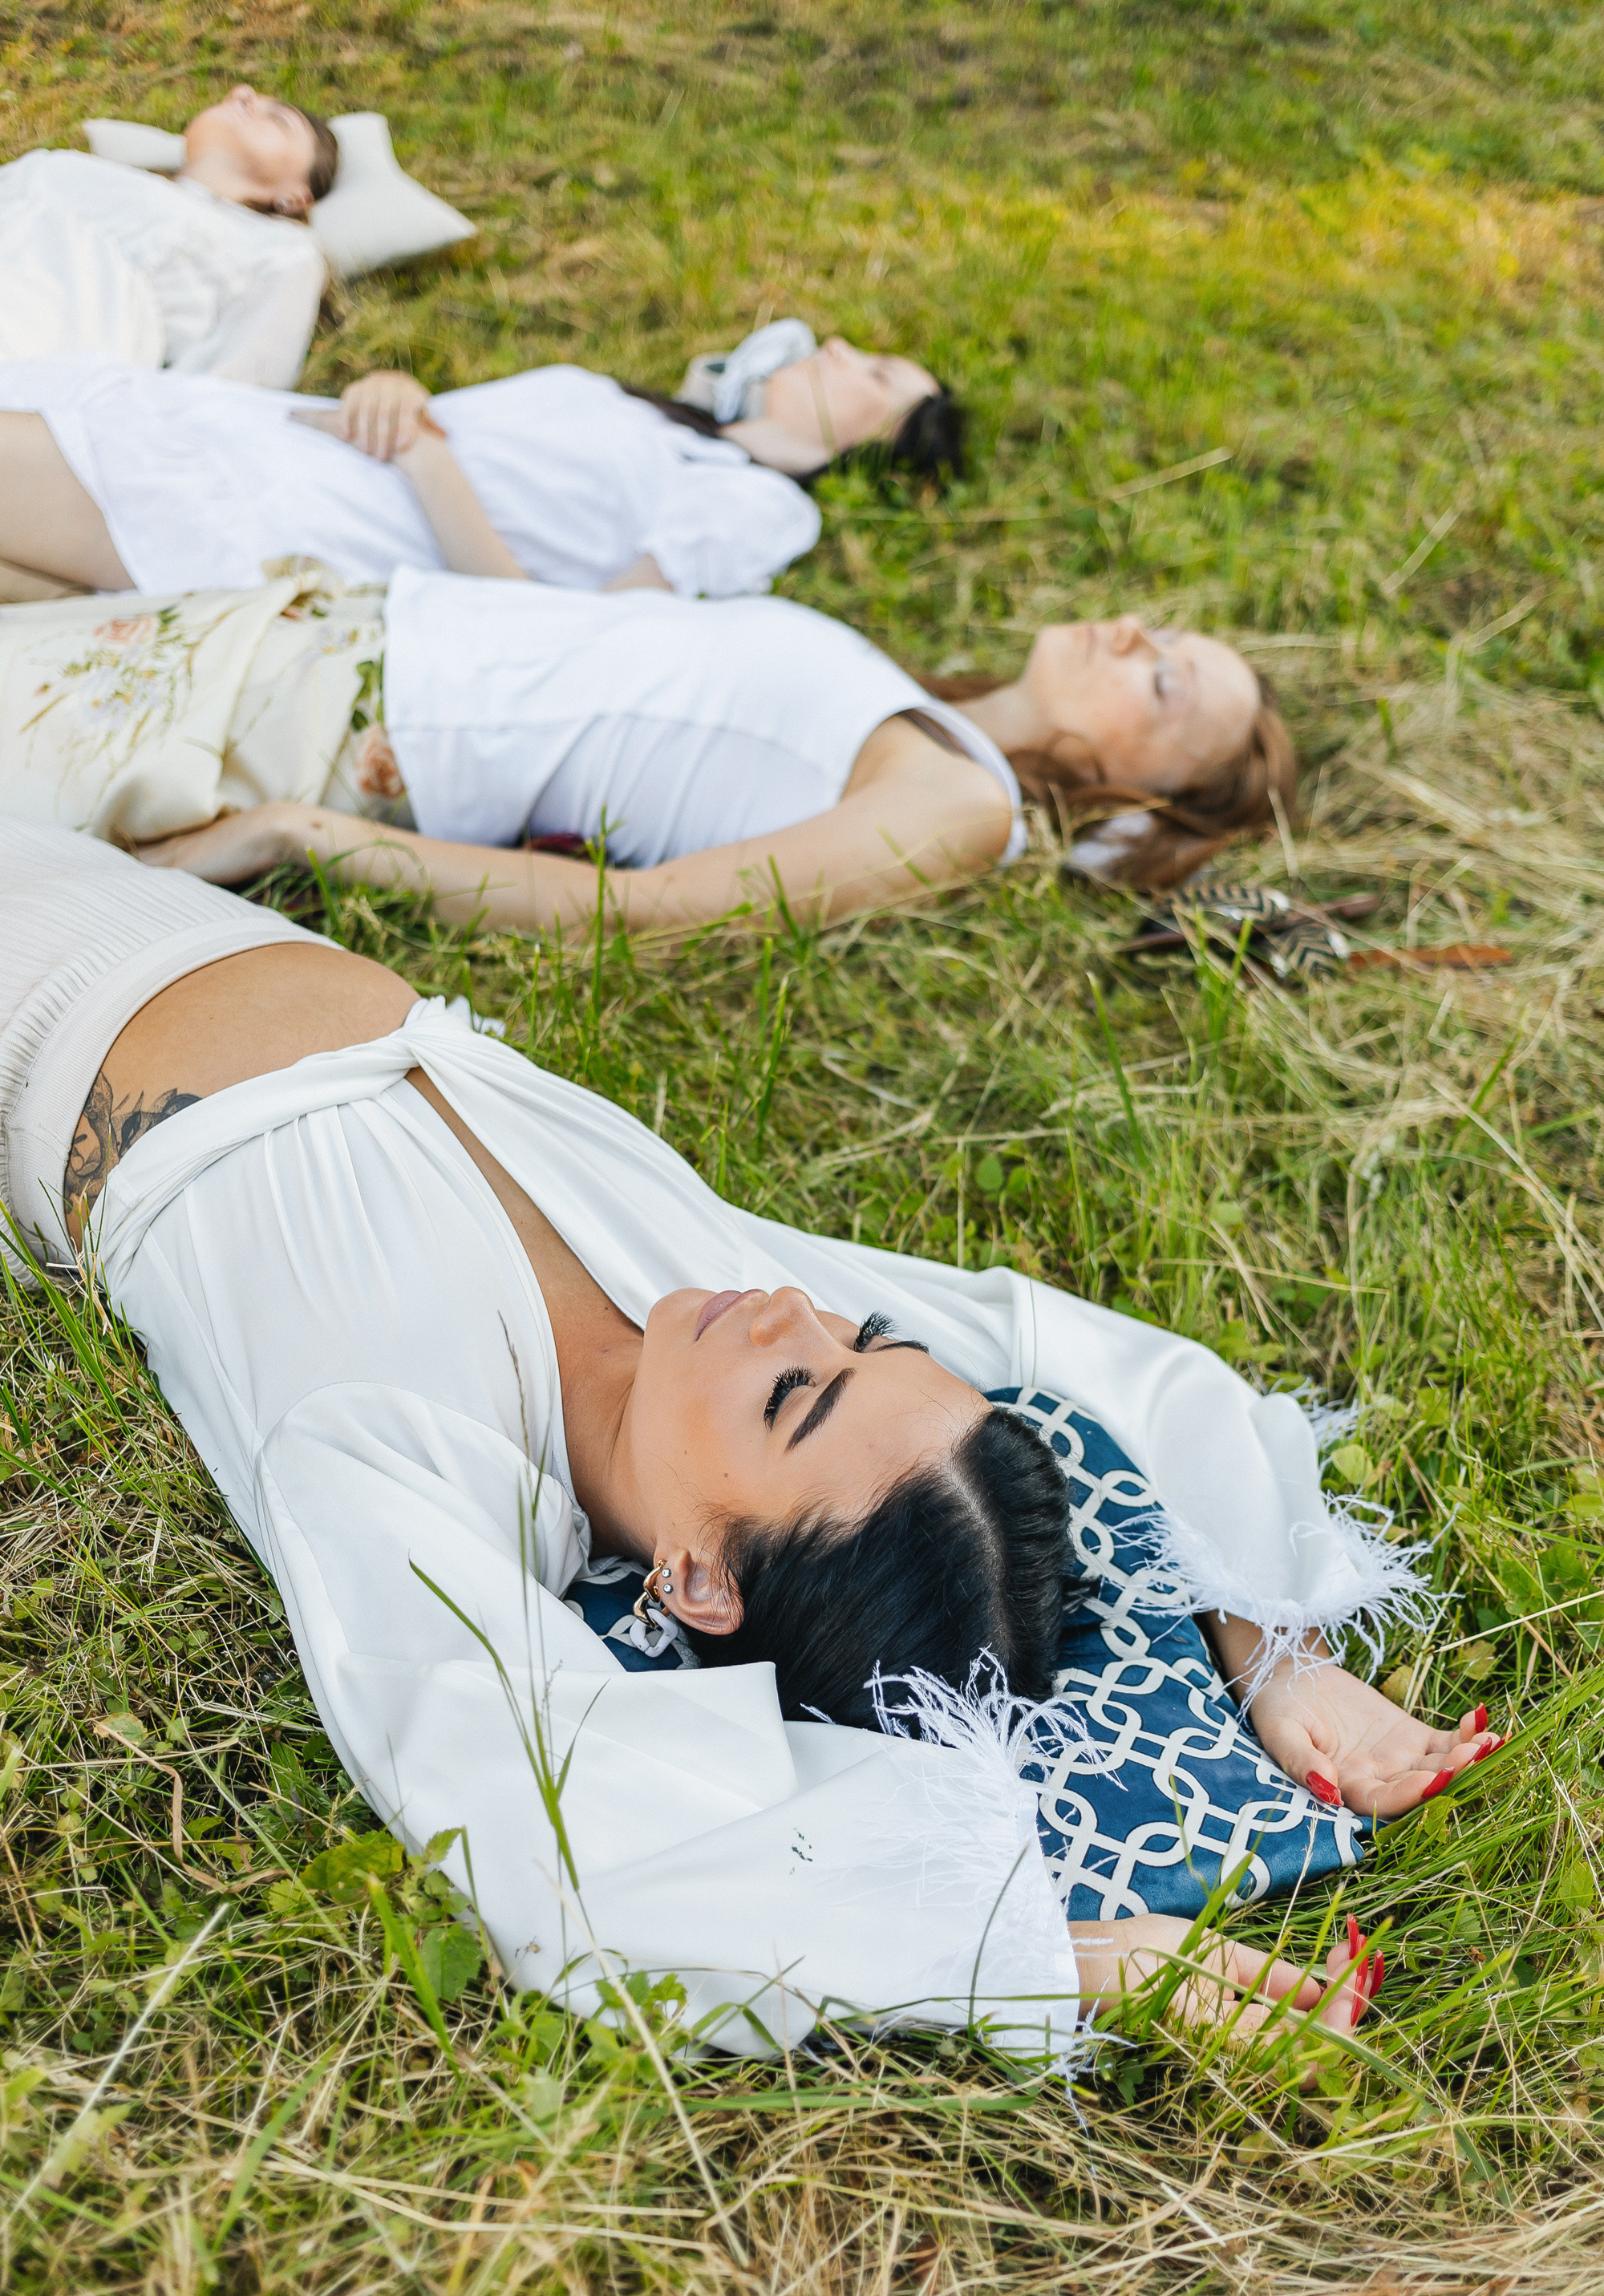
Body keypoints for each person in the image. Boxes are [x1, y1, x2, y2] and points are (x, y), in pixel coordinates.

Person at [0, 820, 1494, 2062]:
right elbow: (1070, 1357)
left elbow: (545, 1828)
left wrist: (1054, 1949)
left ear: (702, 1581)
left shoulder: (398, 1440)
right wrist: (1262, 1636)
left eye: (804, 1395)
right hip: (137, 875)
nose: (801, 1314)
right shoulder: (706, 1303)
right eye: (860, 1343)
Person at [0, 405, 1295, 915]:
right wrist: (432, 461)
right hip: (309, 627)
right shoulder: (904, 702)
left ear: (1131, 794)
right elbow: (562, 645)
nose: (1136, 636)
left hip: (317, 727)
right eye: (1163, 633)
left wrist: (296, 835)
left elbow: (642, 923)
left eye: (1164, 680)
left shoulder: (958, 805)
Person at [0, 316, 950, 605]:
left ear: (878, 449)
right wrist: (392, 392)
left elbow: (568, 636)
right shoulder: (646, 417)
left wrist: (426, 461)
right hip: (261, 437)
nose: (836, 352)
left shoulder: (762, 508)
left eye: (876, 373)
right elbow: (429, 424)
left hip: (284, 516)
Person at [0, 87, 338, 392]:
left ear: (294, 197)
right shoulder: (73, 167)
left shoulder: (282, 249)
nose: (242, 93)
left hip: (37, 336)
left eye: (278, 121)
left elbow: (233, 390)